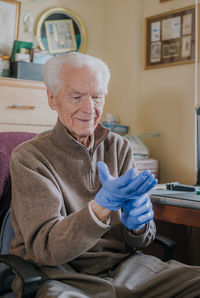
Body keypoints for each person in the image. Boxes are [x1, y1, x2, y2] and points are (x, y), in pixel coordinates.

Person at [10, 52, 200, 298]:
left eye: (97, 97)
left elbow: (141, 242)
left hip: (127, 269)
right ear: (52, 98)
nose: (90, 109)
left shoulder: (119, 147)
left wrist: (138, 226)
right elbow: (45, 250)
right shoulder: (30, 157)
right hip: (62, 276)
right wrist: (99, 209)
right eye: (77, 97)